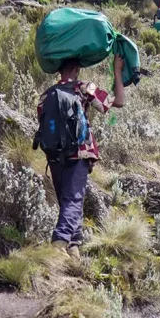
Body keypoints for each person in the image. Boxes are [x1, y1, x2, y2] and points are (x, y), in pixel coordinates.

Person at [40, 55, 127, 257]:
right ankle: (58, 245)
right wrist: (117, 71)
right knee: (73, 200)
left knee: (67, 200)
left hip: (54, 155)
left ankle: (74, 248)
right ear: (77, 69)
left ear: (58, 70)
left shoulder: (46, 95)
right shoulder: (83, 87)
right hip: (78, 152)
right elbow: (119, 102)